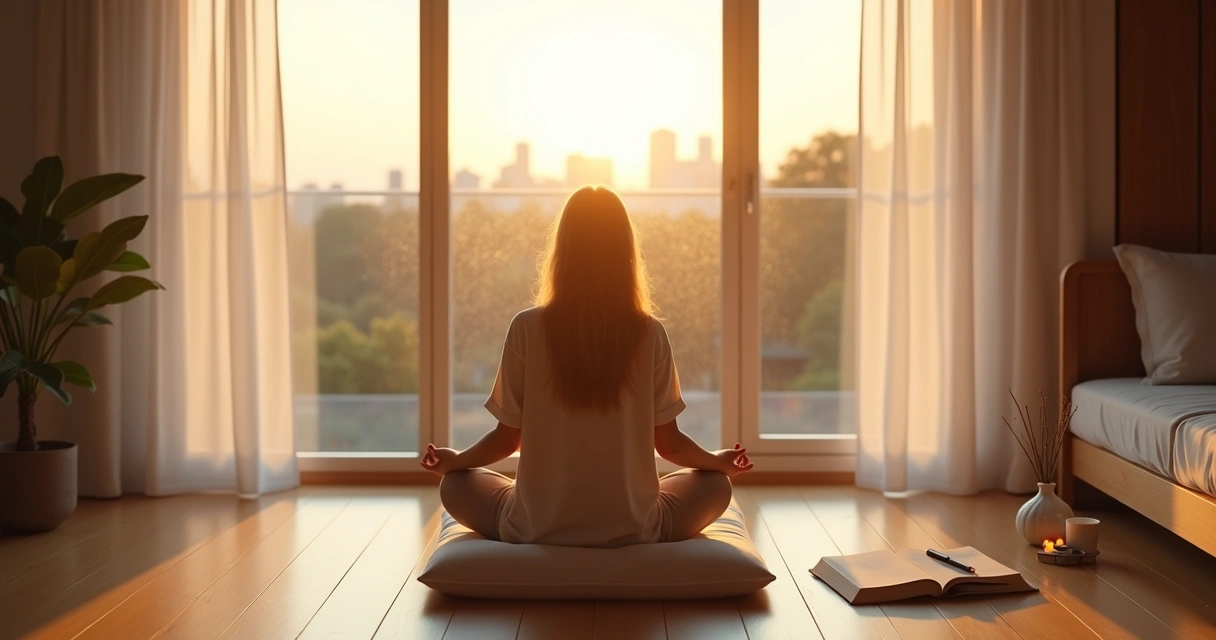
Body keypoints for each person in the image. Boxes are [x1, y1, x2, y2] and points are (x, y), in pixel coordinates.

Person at [421, 186, 752, 548]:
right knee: (716, 485)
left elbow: (506, 439)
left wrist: (455, 461)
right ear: (626, 254)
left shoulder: (526, 328)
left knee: (454, 484)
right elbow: (669, 444)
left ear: (561, 252)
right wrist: (717, 462)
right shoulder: (650, 332)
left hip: (535, 526)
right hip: (634, 528)